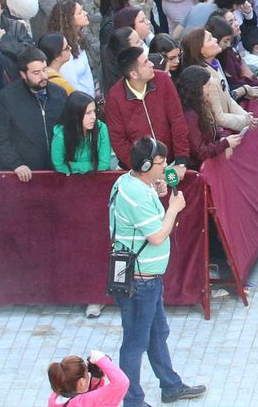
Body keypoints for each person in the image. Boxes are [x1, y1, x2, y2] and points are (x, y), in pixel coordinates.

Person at [108, 136, 206, 405]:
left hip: (144, 280)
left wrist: (157, 188)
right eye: (161, 163)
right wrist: (173, 208)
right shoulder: (137, 195)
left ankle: (170, 386)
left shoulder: (129, 182)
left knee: (157, 334)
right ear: (146, 164)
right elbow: (157, 236)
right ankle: (132, 401)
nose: (165, 167)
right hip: (140, 283)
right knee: (135, 344)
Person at [104, 45, 193, 169]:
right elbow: (118, 141)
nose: (151, 64)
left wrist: (181, 160)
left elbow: (177, 120)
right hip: (138, 169)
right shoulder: (115, 98)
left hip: (171, 162)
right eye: (145, 62)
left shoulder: (163, 80)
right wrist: (142, 167)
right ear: (134, 74)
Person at [0, 47, 66, 180]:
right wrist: (16, 164)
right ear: (23, 74)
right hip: (24, 174)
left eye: (44, 70)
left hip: (57, 170)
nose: (43, 76)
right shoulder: (7, 98)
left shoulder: (59, 93)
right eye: (36, 73)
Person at [46, 350, 130, 407]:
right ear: (82, 382)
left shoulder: (53, 399)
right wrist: (101, 359)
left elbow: (83, 398)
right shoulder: (84, 402)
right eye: (87, 374)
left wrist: (96, 379)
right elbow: (121, 383)